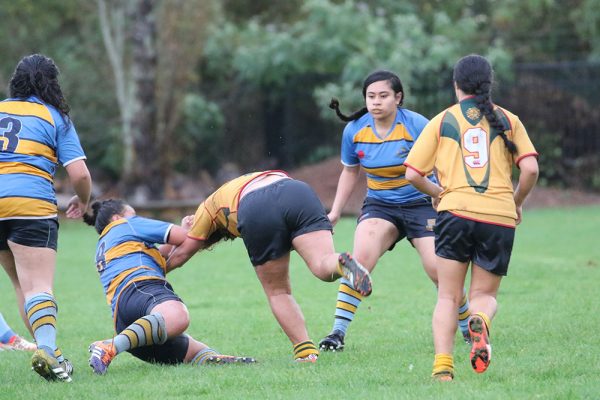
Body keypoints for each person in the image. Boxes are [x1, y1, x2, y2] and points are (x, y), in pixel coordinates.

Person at [404, 54, 539, 381]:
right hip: (498, 215)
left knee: (448, 296)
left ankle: (443, 367)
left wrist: (439, 194)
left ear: (456, 85)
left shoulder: (442, 120)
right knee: (485, 296)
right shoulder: (509, 120)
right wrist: (516, 200)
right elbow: (531, 168)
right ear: (489, 83)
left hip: (455, 211)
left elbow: (412, 173)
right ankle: (481, 321)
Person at [318, 70, 471, 352]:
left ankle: (467, 327)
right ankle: (336, 334)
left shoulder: (416, 125)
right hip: (380, 205)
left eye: (384, 96)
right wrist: (336, 211)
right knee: (359, 263)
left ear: (398, 98)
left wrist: (443, 195)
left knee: (439, 270)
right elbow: (350, 172)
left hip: (422, 203)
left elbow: (441, 163)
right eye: (371, 96)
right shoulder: (355, 130)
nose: (376, 102)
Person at [165, 170, 373, 362]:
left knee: (278, 291)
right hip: (296, 191)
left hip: (256, 206)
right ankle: (341, 264)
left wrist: (153, 272)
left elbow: (181, 252)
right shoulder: (236, 185)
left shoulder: (206, 209)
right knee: (322, 264)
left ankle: (306, 352)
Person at [83, 199, 256, 375]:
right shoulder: (126, 224)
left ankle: (225, 365)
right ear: (117, 217)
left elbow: (157, 256)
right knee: (177, 316)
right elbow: (185, 237)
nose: (137, 218)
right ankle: (110, 346)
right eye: (134, 214)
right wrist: (202, 225)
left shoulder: (107, 244)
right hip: (140, 287)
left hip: (125, 320)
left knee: (195, 351)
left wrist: (181, 232)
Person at [0, 54, 92, 382]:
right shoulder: (54, 116)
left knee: (20, 284)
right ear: (51, 83)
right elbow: (79, 174)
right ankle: (49, 352)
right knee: (39, 285)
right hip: (29, 205)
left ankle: (49, 353)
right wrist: (83, 202)